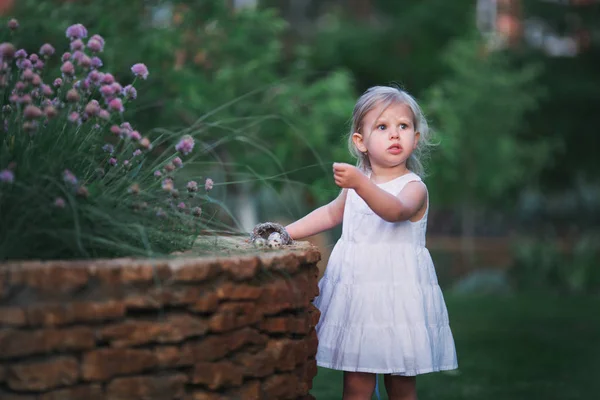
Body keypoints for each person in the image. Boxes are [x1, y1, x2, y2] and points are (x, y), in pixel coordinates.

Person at [284, 86, 458, 400]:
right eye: (382, 126)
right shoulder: (356, 186)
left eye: (403, 126)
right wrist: (285, 232)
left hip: (398, 296)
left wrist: (360, 183)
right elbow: (329, 214)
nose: (395, 134)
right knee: (356, 382)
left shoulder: (413, 188)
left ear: (415, 139)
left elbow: (395, 212)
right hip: (359, 293)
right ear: (360, 142)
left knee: (400, 382)